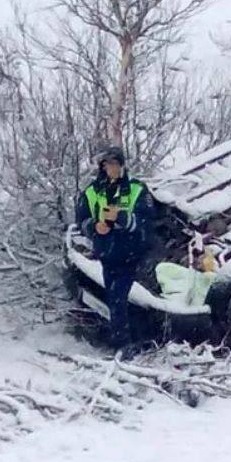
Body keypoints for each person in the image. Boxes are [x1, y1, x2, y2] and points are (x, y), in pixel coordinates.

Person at [74, 145, 154, 349]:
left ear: (122, 165)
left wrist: (122, 218)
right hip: (106, 254)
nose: (112, 168)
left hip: (132, 255)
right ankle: (124, 337)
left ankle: (123, 344)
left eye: (116, 164)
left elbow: (147, 223)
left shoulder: (137, 189)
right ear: (102, 166)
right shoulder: (92, 192)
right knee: (114, 298)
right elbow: (81, 220)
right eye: (108, 165)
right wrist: (94, 227)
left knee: (118, 298)